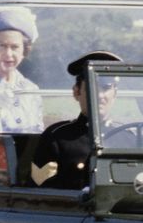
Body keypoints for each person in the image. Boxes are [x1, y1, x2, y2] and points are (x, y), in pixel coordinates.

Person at [31, 51, 121, 189]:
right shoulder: (57, 137)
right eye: (92, 87)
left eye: (106, 88)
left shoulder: (128, 137)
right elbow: (42, 190)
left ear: (115, 93)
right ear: (76, 92)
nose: (100, 95)